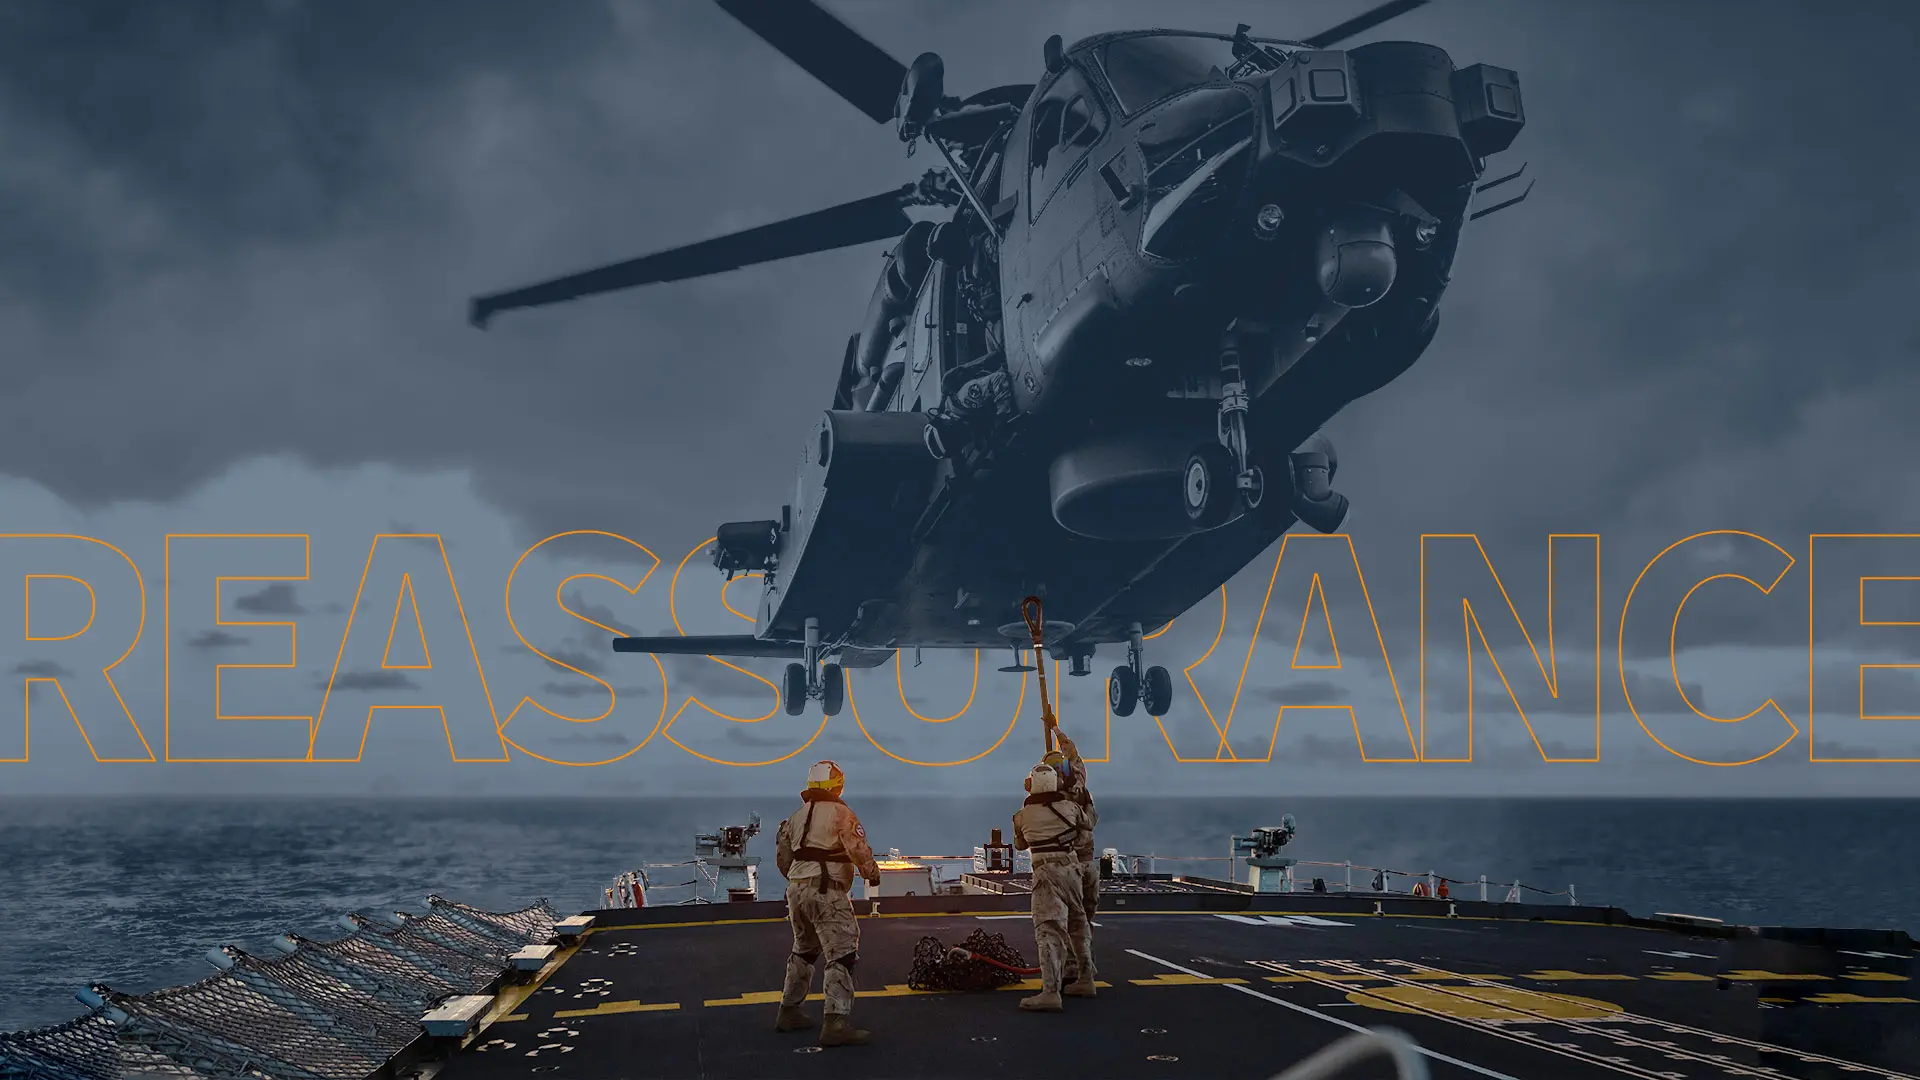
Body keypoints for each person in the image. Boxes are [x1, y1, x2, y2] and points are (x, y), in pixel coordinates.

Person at [773, 759, 882, 1047]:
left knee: (804, 950)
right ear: (837, 785)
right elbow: (858, 849)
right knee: (843, 952)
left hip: (796, 889)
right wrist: (872, 874)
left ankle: (788, 1010)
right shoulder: (841, 813)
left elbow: (783, 858)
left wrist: (799, 879)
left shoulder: (795, 816)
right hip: (827, 890)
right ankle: (835, 1022)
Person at [1011, 759, 1093, 1011]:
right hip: (1072, 869)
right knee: (1078, 923)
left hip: (1045, 871)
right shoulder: (1070, 807)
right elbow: (1085, 832)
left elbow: (1020, 845)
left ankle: (1050, 992)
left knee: (1048, 928)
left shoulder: (1023, 815)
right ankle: (1086, 979)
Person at [1048, 726, 1099, 996]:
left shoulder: (1058, 803)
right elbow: (1073, 753)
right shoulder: (1082, 790)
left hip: (1071, 868)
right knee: (1085, 920)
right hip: (1090, 865)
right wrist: (1056, 728)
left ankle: (1074, 969)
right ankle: (1085, 967)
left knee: (1069, 920)